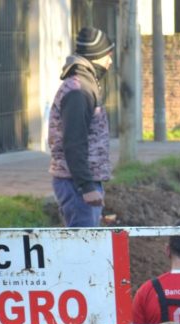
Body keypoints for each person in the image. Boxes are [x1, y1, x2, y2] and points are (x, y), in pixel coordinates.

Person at [49, 26, 114, 228]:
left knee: (83, 248)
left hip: (77, 183)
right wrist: (86, 187)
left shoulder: (84, 85)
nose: (110, 61)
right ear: (96, 56)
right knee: (82, 252)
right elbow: (74, 142)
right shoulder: (79, 91)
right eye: (108, 55)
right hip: (76, 185)